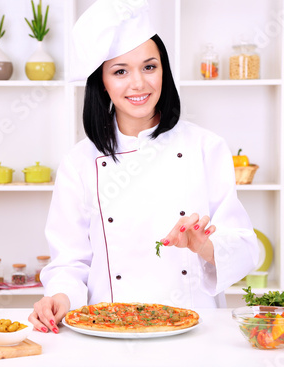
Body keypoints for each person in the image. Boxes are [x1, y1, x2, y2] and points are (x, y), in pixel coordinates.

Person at [29, 0, 258, 334]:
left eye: (149, 67)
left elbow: (246, 248)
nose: (138, 84)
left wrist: (202, 245)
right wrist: (60, 297)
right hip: (107, 328)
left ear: (163, 70)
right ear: (102, 82)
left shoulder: (206, 147)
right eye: (120, 71)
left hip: (194, 329)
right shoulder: (79, 163)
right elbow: (70, 260)